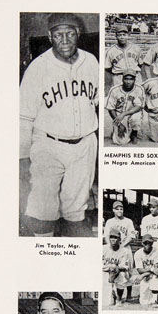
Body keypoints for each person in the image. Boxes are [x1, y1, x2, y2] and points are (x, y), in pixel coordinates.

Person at [20, 13, 98, 237]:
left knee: (76, 207)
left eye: (70, 34)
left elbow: (96, 100)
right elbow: (24, 116)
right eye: (58, 35)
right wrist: (23, 157)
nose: (64, 40)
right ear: (49, 36)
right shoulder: (38, 68)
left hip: (84, 144)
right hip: (48, 144)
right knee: (43, 206)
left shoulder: (90, 61)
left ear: (78, 34)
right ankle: (42, 253)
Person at [103, 201, 136, 304]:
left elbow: (132, 235)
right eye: (117, 209)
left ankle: (129, 294)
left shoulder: (128, 221)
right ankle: (113, 294)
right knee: (111, 270)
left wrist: (122, 245)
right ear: (113, 210)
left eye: (121, 208)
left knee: (128, 271)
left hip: (125, 248)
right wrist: (111, 247)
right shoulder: (109, 222)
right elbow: (106, 236)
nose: (119, 210)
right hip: (112, 249)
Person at [105, 69, 144, 145]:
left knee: (136, 117)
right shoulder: (114, 90)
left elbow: (139, 106)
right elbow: (110, 108)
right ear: (122, 79)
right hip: (118, 115)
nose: (128, 81)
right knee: (120, 142)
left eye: (131, 79)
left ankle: (134, 133)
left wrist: (125, 113)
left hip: (132, 113)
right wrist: (119, 124)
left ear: (135, 80)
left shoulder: (139, 89)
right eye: (126, 79)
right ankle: (116, 129)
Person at [102, 228, 133, 306]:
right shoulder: (104, 248)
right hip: (105, 271)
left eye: (115, 237)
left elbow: (124, 266)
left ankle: (119, 298)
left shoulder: (124, 251)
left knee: (122, 276)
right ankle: (112, 294)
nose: (113, 239)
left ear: (119, 239)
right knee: (108, 303)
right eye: (111, 237)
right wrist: (110, 268)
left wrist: (114, 269)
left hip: (118, 271)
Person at [133, 234, 158, 307]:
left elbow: (157, 269)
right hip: (145, 276)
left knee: (155, 278)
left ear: (152, 243)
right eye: (145, 243)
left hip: (153, 275)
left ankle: (155, 300)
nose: (147, 244)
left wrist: (144, 274)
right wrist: (149, 271)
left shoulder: (157, 251)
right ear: (142, 243)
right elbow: (140, 270)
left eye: (149, 242)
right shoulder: (138, 253)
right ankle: (154, 296)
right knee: (143, 302)